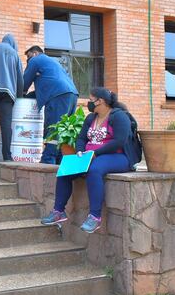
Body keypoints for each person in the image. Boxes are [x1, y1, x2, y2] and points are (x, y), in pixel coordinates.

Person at [40, 87, 141, 234]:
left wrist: (96, 153)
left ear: (100, 101)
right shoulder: (91, 118)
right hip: (91, 156)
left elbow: (120, 141)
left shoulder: (119, 117)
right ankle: (58, 212)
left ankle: (95, 217)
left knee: (95, 170)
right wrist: (80, 151)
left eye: (91, 100)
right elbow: (81, 138)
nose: (89, 103)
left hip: (119, 157)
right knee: (66, 168)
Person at [23, 46, 79, 164]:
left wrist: (21, 95)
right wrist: (29, 96)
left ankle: (48, 160)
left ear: (35, 53)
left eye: (28, 57)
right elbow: (44, 88)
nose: (28, 60)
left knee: (53, 127)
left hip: (58, 96)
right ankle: (60, 160)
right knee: (63, 129)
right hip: (72, 94)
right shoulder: (52, 63)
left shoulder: (36, 59)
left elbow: (25, 81)